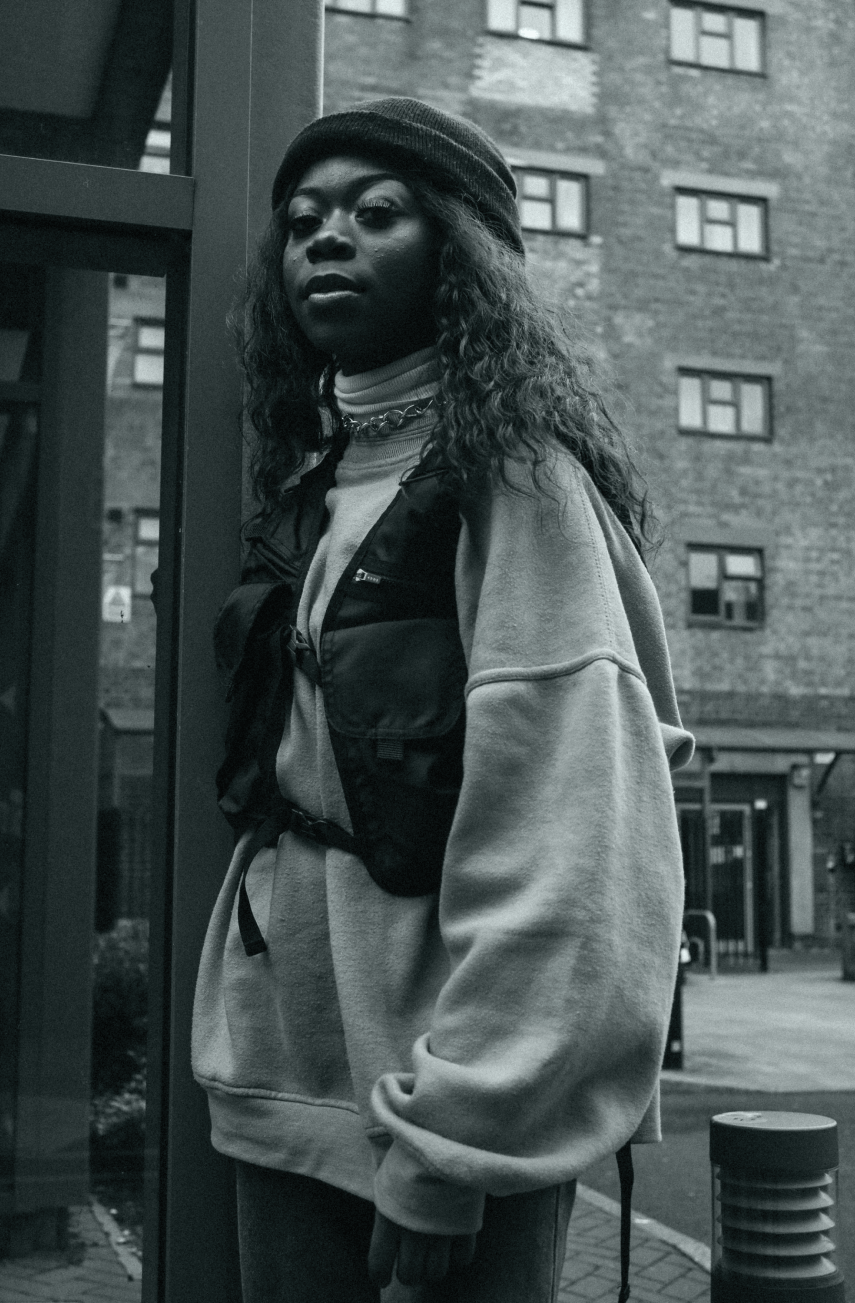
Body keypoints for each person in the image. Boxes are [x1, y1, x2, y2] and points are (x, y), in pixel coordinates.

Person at [192, 97, 694, 1303]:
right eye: (304, 220)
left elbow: (573, 842)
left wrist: (459, 1135)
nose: (327, 236)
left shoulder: (513, 483)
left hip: (442, 1102)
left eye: (377, 212)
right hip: (281, 1079)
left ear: (461, 254)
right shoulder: (314, 484)